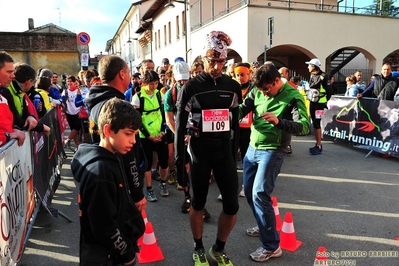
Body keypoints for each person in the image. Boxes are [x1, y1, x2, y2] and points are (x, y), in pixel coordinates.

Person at [175, 30, 241, 266]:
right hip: (200, 152)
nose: (215, 66)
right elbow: (180, 128)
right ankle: (198, 246)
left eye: (220, 61)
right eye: (211, 61)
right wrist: (178, 162)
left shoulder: (232, 86)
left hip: (223, 152)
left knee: (232, 205)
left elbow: (234, 126)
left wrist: (234, 156)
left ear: (225, 61)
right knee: (199, 203)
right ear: (203, 60)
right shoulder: (191, 87)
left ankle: (219, 248)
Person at [240, 63, 310, 262]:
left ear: (277, 81)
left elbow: (304, 127)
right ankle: (263, 225)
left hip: (273, 150)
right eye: (260, 90)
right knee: (249, 193)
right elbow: (244, 109)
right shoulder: (258, 89)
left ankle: (271, 246)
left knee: (260, 194)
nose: (263, 93)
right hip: (252, 147)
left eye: (266, 89)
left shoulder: (293, 96)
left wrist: (279, 122)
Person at [71, 97, 145, 266]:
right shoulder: (100, 172)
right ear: (108, 130)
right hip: (107, 257)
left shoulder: (114, 156)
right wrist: (127, 254)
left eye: (135, 134)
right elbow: (103, 225)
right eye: (128, 134)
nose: (133, 141)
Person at [84, 55, 147, 212]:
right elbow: (129, 153)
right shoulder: (117, 107)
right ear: (122, 74)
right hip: (120, 181)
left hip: (105, 174)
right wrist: (137, 191)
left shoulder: (96, 101)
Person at [131, 70, 169, 202]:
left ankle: (163, 183)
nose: (154, 86)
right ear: (144, 83)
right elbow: (136, 120)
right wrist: (148, 136)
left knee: (164, 161)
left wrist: (163, 131)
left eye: (156, 83)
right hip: (144, 136)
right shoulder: (138, 97)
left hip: (159, 133)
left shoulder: (160, 94)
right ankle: (149, 189)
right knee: (147, 164)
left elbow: (164, 115)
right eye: (151, 84)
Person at [305, 58, 332, 155]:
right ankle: (317, 144)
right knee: (314, 123)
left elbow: (329, 91)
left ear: (313, 66)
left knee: (317, 123)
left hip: (320, 104)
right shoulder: (312, 75)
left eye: (309, 65)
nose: (308, 67)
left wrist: (325, 102)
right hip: (312, 102)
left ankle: (319, 145)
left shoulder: (324, 76)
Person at [60, 75, 81, 150]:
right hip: (69, 113)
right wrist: (62, 103)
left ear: (75, 82)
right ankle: (77, 146)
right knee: (73, 130)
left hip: (78, 112)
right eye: (67, 81)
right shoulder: (66, 91)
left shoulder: (78, 90)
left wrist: (81, 110)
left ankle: (68, 140)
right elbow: (62, 99)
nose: (69, 83)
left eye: (71, 81)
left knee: (76, 128)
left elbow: (83, 101)